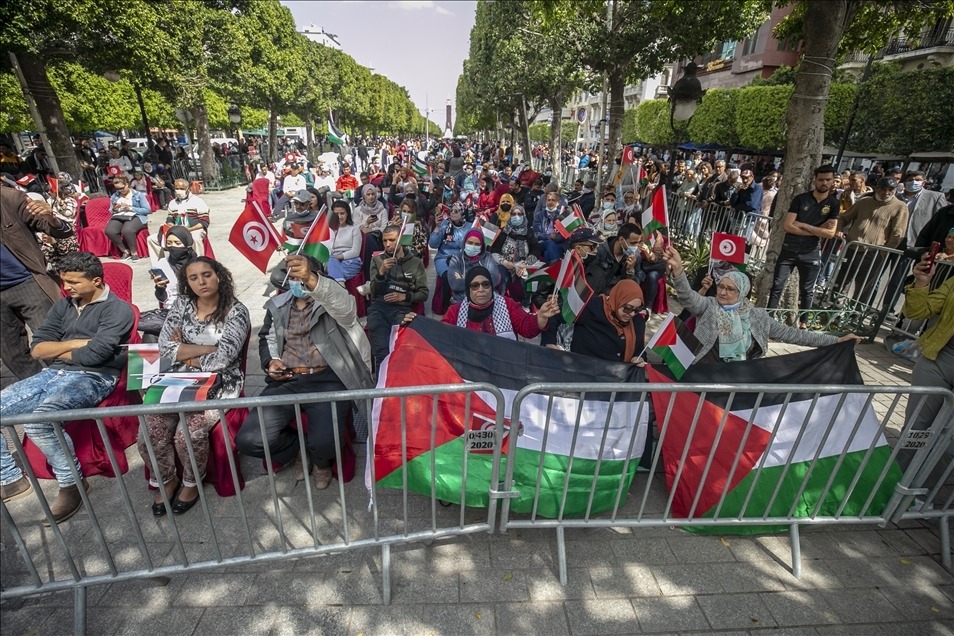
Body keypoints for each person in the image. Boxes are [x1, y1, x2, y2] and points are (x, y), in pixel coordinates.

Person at [0, 252, 134, 520]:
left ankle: (72, 482)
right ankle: (10, 478)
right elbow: (38, 348)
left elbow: (96, 356)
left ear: (96, 280)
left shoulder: (118, 310)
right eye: (64, 282)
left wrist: (60, 349)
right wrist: (76, 343)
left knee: (42, 420)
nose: (67, 288)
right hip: (54, 373)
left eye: (73, 282)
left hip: (95, 377)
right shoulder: (63, 306)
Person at [236, 254, 372, 488]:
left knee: (326, 443)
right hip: (287, 380)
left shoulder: (330, 300)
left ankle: (320, 461)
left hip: (328, 379)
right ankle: (298, 449)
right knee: (249, 441)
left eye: (303, 276)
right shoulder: (277, 304)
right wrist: (271, 362)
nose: (298, 282)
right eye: (294, 277)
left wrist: (311, 278)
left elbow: (347, 310)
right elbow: (267, 338)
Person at [137, 257, 250, 516]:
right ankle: (167, 480)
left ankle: (191, 482)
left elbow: (224, 359)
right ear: (186, 282)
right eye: (194, 277)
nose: (202, 281)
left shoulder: (236, 310)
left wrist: (184, 351)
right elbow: (165, 348)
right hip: (178, 378)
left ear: (219, 275)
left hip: (220, 382)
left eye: (207, 274)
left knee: (186, 434)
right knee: (148, 432)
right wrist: (207, 349)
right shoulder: (182, 304)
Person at [663, 246, 861, 363]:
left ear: (742, 293)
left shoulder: (758, 317)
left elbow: (795, 335)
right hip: (703, 370)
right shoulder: (709, 305)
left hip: (739, 376)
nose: (722, 292)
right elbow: (688, 297)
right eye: (721, 286)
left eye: (730, 289)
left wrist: (835, 341)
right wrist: (678, 269)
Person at [0, 187, 74, 383]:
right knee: (11, 353)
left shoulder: (9, 198)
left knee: (53, 344)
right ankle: (41, 389)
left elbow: (58, 230)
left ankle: (72, 387)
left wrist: (51, 218)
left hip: (27, 282)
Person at [895, 251, 954, 483]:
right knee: (915, 430)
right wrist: (921, 283)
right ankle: (893, 485)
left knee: (948, 444)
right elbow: (918, 312)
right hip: (938, 359)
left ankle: (923, 493)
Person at [767, 165, 840, 328]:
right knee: (777, 286)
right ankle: (769, 319)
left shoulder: (833, 203)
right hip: (789, 249)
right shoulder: (801, 199)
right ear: (815, 181)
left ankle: (804, 322)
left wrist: (805, 226)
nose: (824, 183)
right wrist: (817, 230)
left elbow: (829, 234)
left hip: (811, 252)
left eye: (828, 179)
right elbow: (788, 226)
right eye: (821, 179)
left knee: (807, 290)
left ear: (833, 181)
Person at [366, 225, 429, 370]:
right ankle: (381, 389)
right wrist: (381, 272)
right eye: (385, 240)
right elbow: (374, 291)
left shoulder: (415, 263)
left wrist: (404, 296)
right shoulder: (377, 260)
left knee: (400, 352)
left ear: (401, 239)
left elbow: (423, 293)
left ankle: (399, 387)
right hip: (379, 308)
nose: (388, 244)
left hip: (402, 309)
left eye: (392, 240)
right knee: (381, 353)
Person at [438, 266, 559, 339]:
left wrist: (541, 316)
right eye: (475, 286)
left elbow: (527, 328)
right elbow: (440, 336)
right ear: (468, 290)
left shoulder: (508, 305)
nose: (481, 289)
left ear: (491, 287)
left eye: (486, 284)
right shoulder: (455, 311)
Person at [559, 279, 647, 364]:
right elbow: (557, 313)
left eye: (637, 310)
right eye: (628, 308)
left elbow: (639, 349)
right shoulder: (592, 307)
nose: (632, 314)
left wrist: (639, 358)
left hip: (618, 374)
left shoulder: (637, 321)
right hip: (585, 369)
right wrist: (549, 343)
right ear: (617, 300)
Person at [146, 179, 209, 266]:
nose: (179, 191)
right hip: (176, 231)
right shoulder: (172, 203)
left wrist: (189, 229)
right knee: (152, 239)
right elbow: (169, 220)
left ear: (188, 189)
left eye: (182, 188)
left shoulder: (198, 201)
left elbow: (204, 222)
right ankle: (159, 266)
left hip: (193, 229)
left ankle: (198, 263)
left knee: (195, 238)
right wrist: (174, 228)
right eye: (177, 188)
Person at [445, 229, 504, 305]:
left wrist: (464, 280)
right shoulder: (456, 259)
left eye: (477, 244)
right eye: (470, 243)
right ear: (464, 242)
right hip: (462, 300)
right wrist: (484, 282)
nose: (473, 246)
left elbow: (494, 280)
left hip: (486, 300)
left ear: (482, 246)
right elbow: (455, 284)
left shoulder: (487, 257)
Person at [586, 223, 644, 296]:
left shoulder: (636, 256)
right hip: (601, 294)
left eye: (638, 243)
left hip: (620, 296)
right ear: (621, 240)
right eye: (633, 243)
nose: (636, 247)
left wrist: (630, 271)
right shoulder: (600, 252)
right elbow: (592, 279)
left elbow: (635, 284)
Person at [105, 173, 151, 261]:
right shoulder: (115, 196)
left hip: (137, 215)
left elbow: (147, 209)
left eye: (122, 188)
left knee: (127, 230)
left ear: (127, 184)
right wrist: (115, 209)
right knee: (109, 231)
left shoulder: (138, 195)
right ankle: (125, 251)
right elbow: (111, 211)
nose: (120, 190)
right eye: (117, 189)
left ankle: (134, 252)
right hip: (120, 215)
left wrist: (130, 208)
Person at [151, 226, 196, 306]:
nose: (173, 246)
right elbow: (162, 299)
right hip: (172, 309)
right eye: (169, 243)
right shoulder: (162, 264)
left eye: (177, 243)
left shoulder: (198, 264)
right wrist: (160, 288)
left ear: (187, 244)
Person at [430, 203, 470, 280]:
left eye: (456, 211)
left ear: (463, 213)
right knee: (448, 276)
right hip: (444, 258)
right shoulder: (445, 224)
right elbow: (433, 245)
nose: (452, 213)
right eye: (451, 210)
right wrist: (437, 226)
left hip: (464, 260)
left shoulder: (470, 227)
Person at [327, 200, 362, 285]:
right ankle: (341, 286)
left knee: (329, 277)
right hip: (332, 260)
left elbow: (355, 251)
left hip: (350, 260)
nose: (339, 216)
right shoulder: (329, 230)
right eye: (336, 214)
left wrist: (338, 257)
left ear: (347, 214)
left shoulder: (354, 229)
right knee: (331, 263)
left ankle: (339, 286)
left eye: (342, 213)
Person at [534, 191, 570, 262]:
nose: (551, 202)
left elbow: (564, 235)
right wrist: (549, 237)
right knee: (550, 243)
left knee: (547, 254)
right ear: (545, 202)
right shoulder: (538, 215)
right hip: (542, 244)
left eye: (553, 200)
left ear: (558, 203)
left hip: (558, 244)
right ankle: (558, 270)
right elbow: (536, 233)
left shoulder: (563, 215)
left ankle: (547, 272)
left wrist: (555, 237)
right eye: (549, 200)